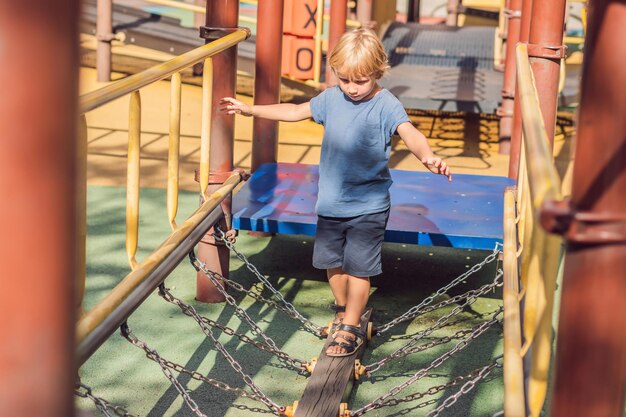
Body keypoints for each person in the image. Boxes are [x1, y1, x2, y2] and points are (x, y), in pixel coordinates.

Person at [220, 28, 451, 357]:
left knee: (360, 268)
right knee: (332, 264)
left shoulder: (386, 104)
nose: (352, 89)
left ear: (378, 72)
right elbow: (295, 110)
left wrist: (427, 157)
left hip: (368, 206)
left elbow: (409, 132)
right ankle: (345, 311)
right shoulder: (331, 98)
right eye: (345, 80)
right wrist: (251, 109)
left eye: (361, 81)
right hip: (330, 203)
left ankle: (351, 323)